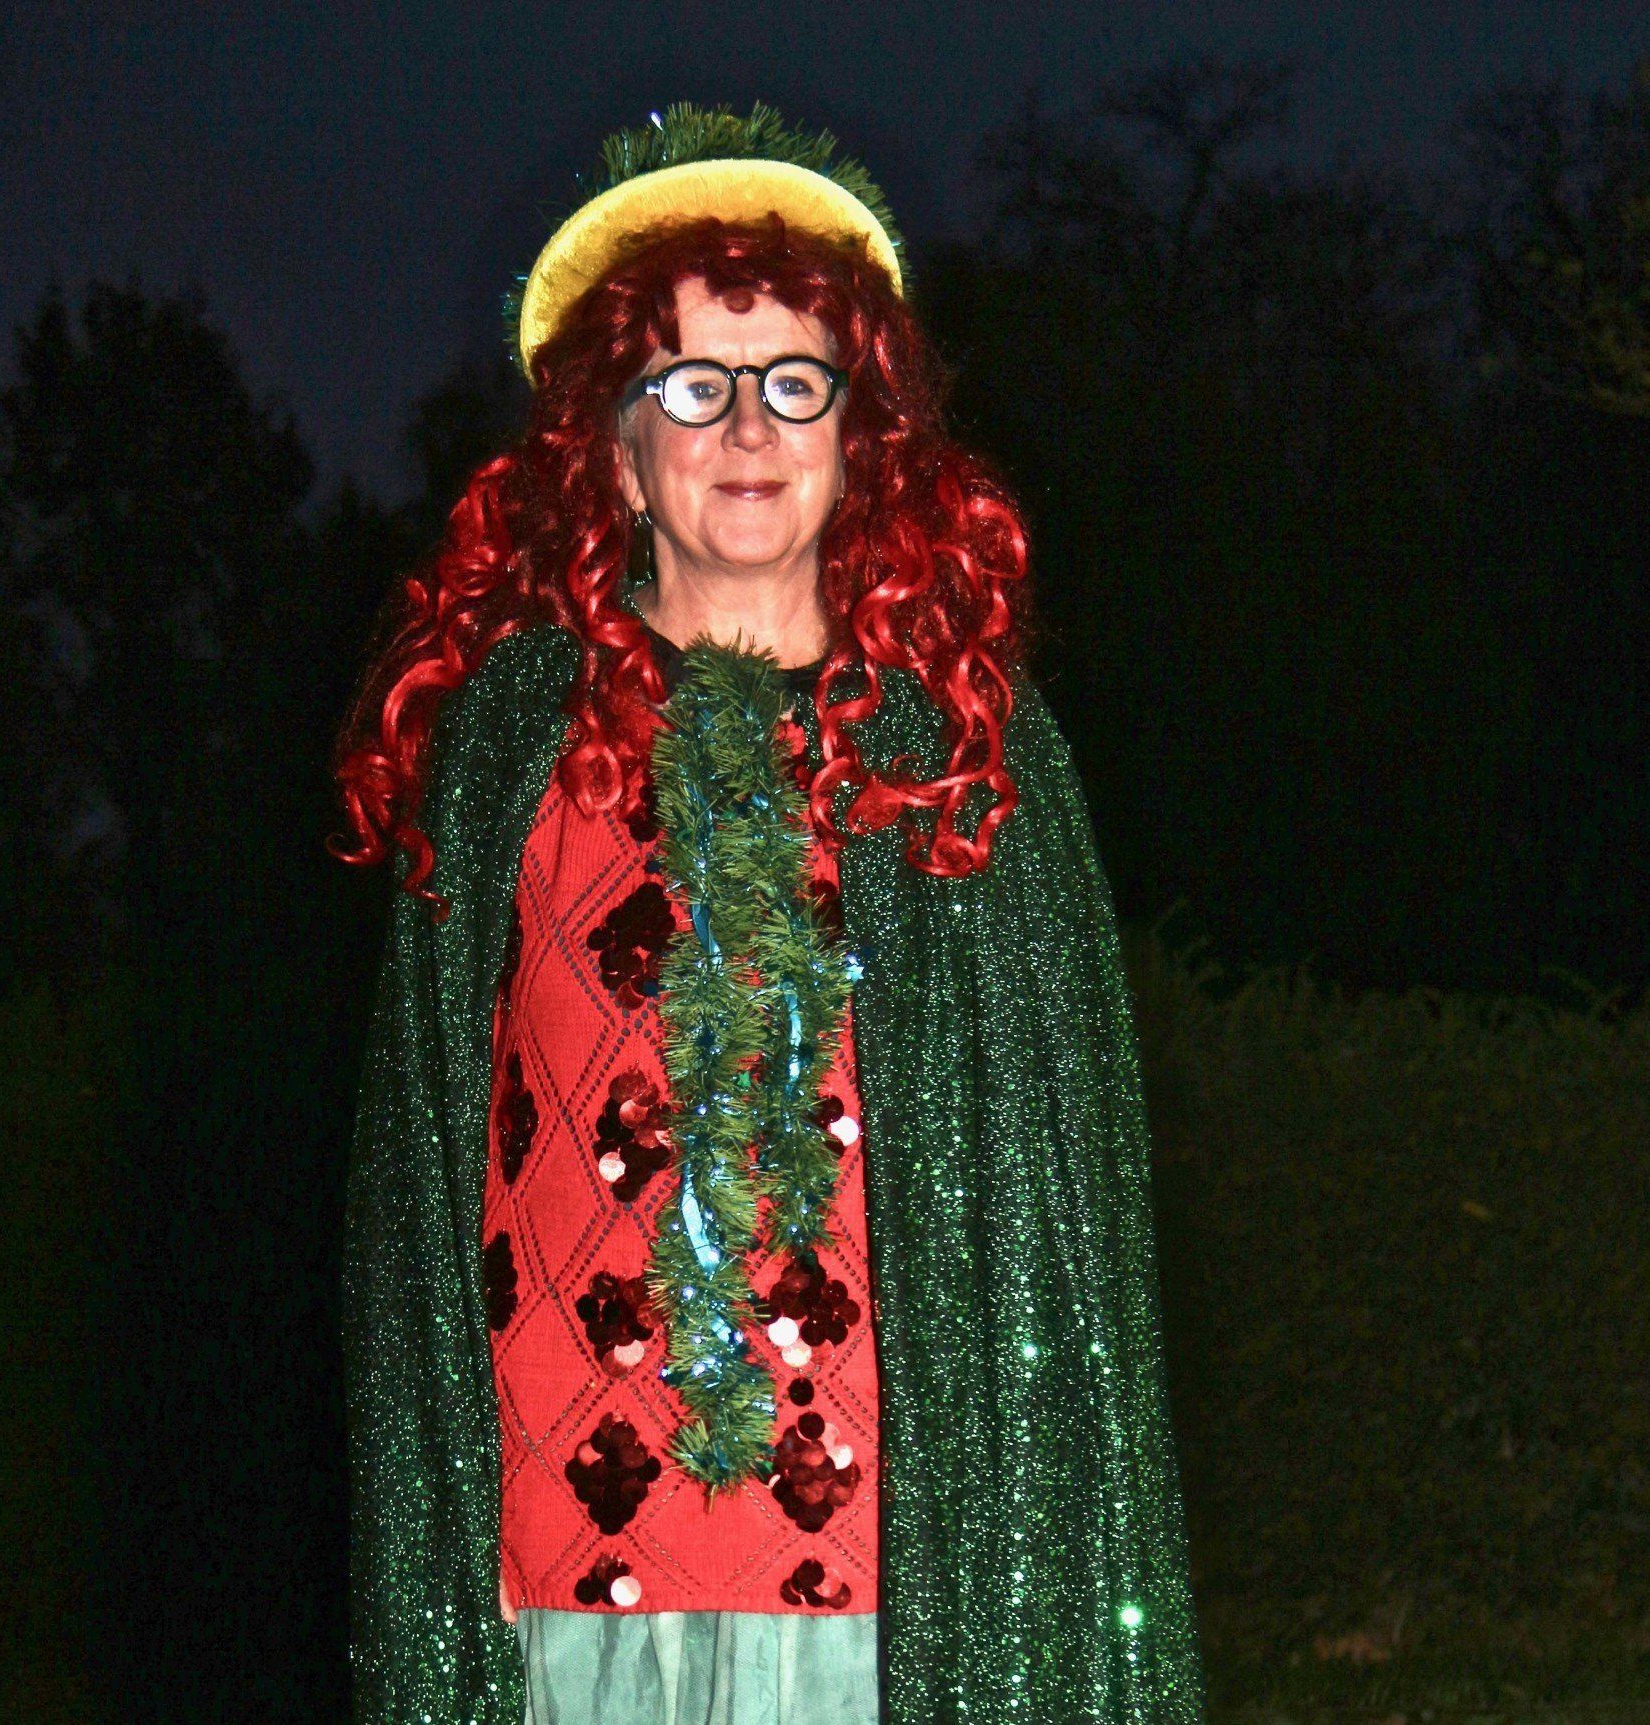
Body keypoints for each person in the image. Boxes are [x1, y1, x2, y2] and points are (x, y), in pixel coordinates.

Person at [331, 102, 1206, 1725]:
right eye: (692, 383)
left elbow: (1055, 1230)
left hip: (890, 1568)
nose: (748, 425)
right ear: (615, 448)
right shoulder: (509, 738)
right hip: (566, 1545)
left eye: (795, 380)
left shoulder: (958, 745)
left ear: (858, 433)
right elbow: (421, 1174)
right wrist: (438, 1534)